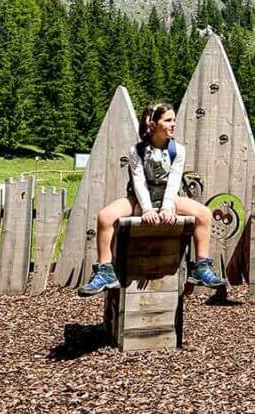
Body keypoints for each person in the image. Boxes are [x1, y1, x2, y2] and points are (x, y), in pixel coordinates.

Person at [78, 102, 226, 296]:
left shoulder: (177, 150)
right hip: (141, 198)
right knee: (105, 216)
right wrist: (147, 208)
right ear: (153, 124)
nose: (173, 124)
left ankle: (201, 267)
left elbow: (174, 181)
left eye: (174, 120)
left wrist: (167, 207)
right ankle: (105, 271)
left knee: (204, 214)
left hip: (168, 197)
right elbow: (139, 181)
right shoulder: (137, 151)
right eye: (168, 120)